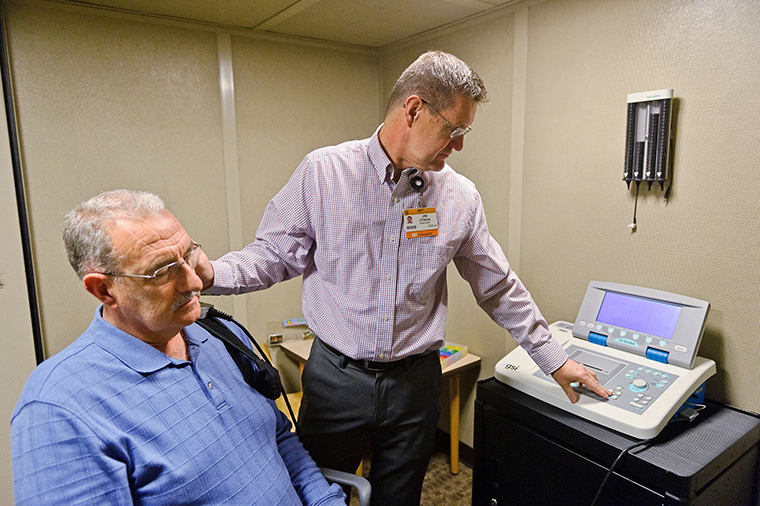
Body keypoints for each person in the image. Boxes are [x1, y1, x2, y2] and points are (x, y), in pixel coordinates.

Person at [196, 51, 611, 506]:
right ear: (413, 110)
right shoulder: (323, 172)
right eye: (454, 130)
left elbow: (497, 285)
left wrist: (554, 357)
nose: (459, 145)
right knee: (318, 492)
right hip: (336, 377)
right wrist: (211, 274)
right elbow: (274, 254)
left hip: (416, 384)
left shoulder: (459, 196)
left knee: (399, 499)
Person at [10, 190, 346, 506]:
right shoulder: (59, 408)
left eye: (188, 255)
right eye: (162, 272)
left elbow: (279, 438)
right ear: (104, 290)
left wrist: (325, 500)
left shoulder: (221, 337)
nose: (195, 282)